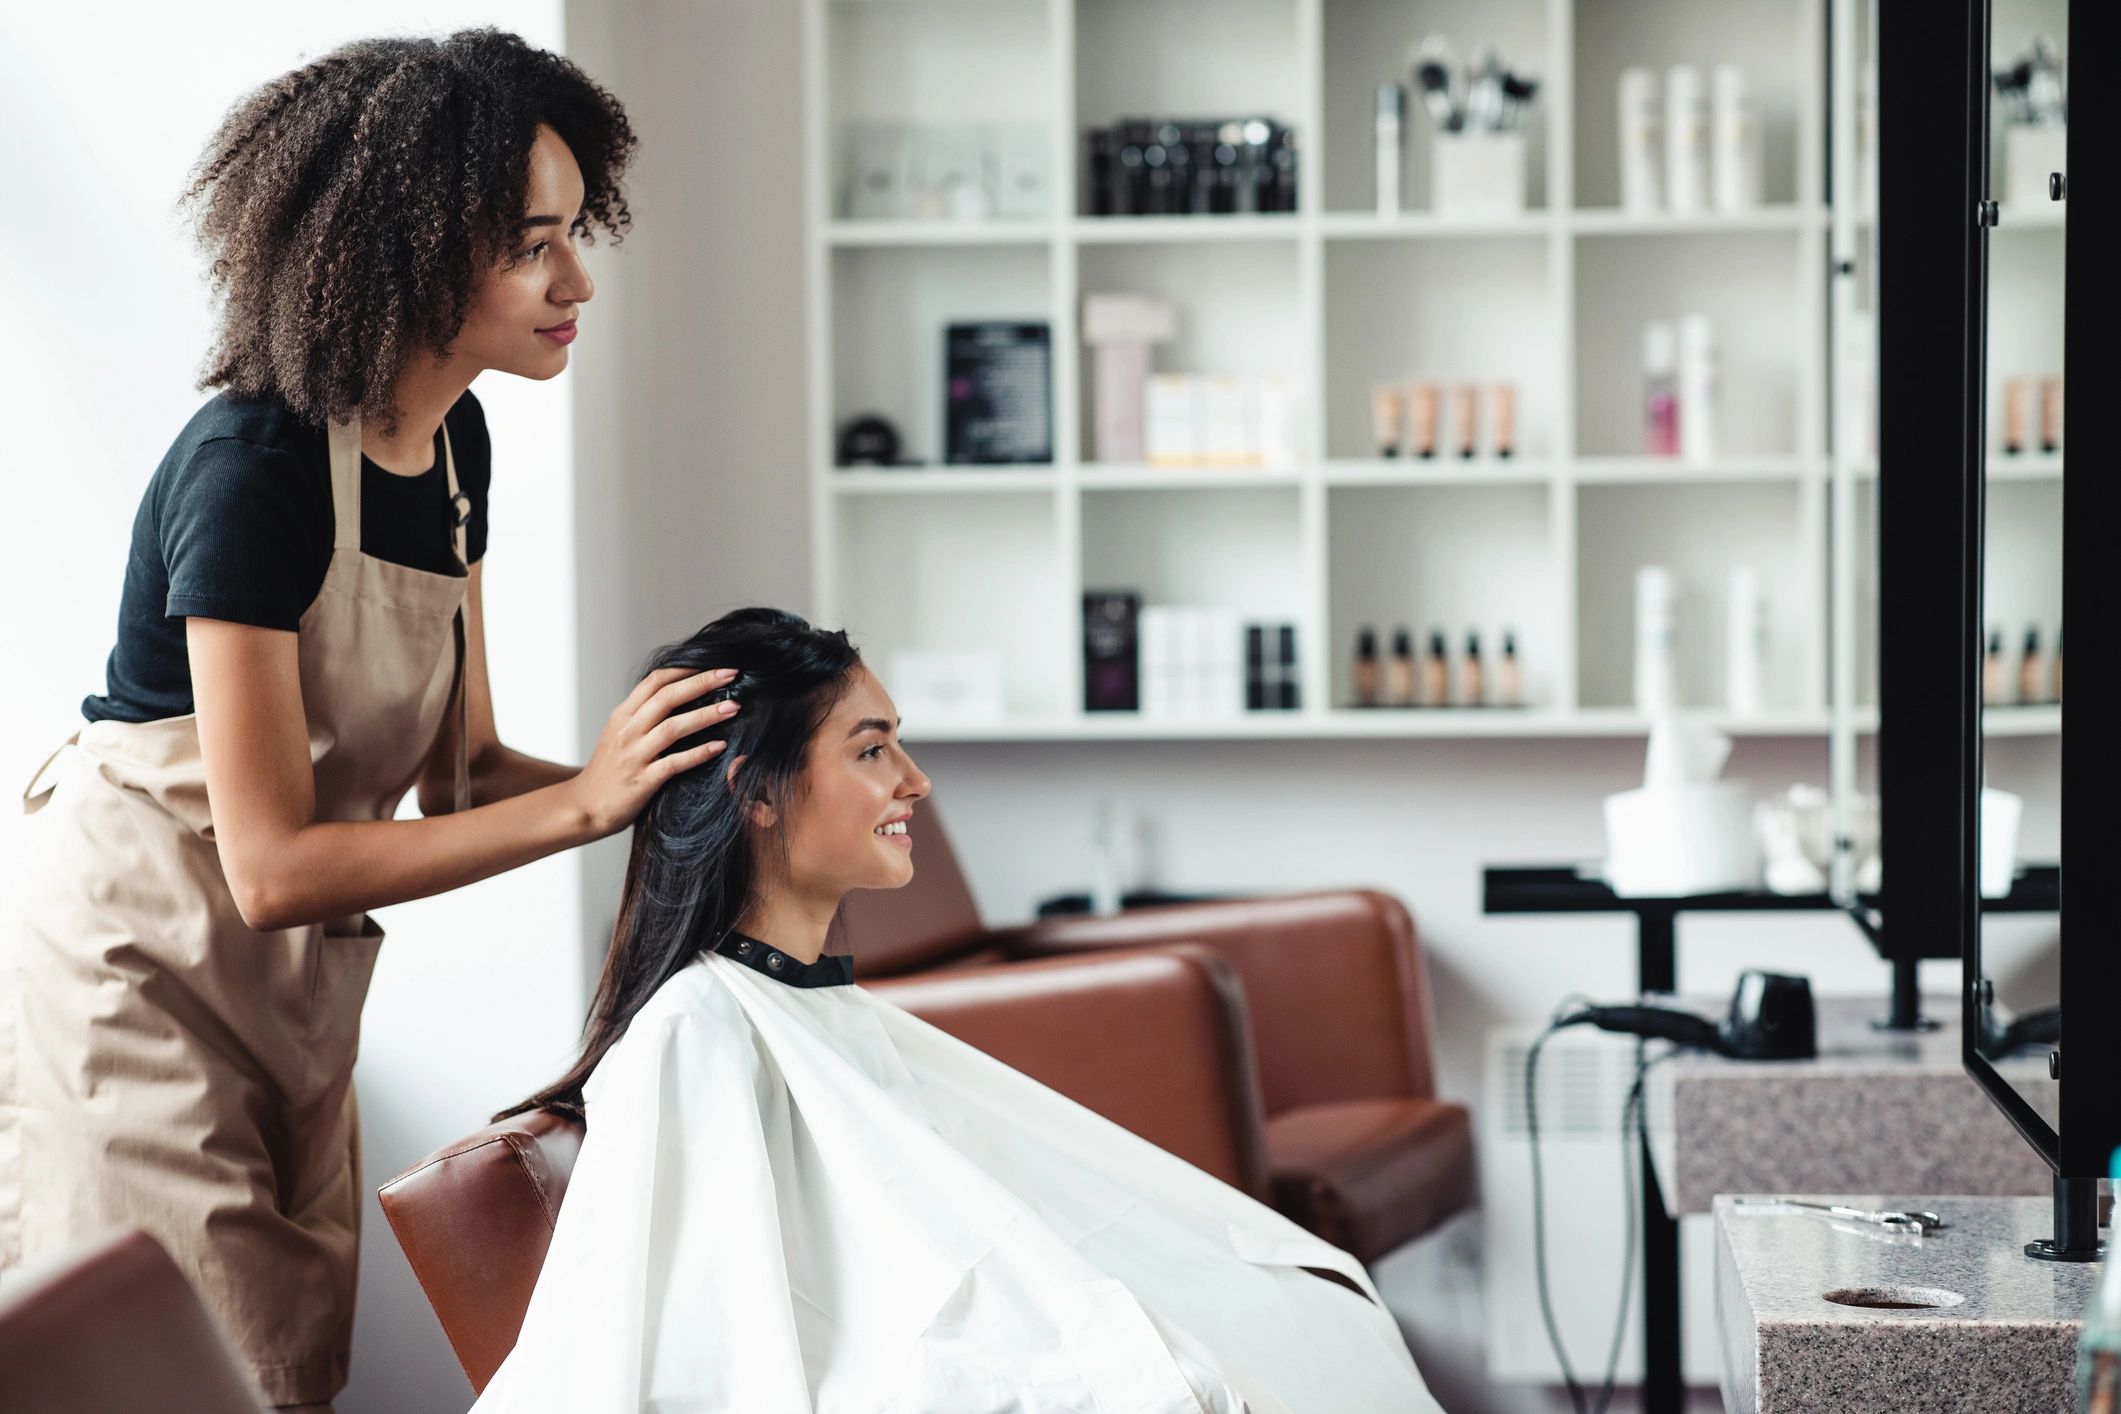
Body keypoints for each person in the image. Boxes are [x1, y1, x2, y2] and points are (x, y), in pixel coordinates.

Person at [0, 31, 727, 1412]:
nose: (575, 280)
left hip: (291, 991)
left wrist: (669, 780)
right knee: (194, 1374)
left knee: (290, 1353)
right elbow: (271, 864)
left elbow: (460, 777)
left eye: (578, 232)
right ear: (404, 248)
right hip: (132, 971)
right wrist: (585, 801)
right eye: (531, 244)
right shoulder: (254, 466)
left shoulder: (455, 447)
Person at [473, 607, 1444, 1413]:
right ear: (757, 794)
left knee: (1308, 1311)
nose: (914, 780)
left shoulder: (812, 1004)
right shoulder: (698, 1030)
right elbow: (729, 1349)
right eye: (872, 748)